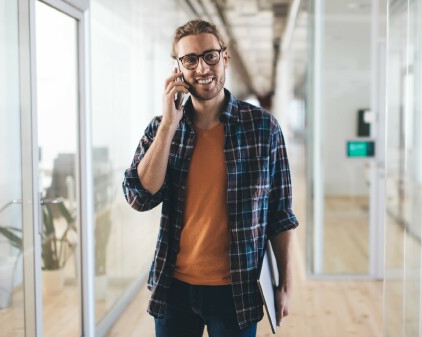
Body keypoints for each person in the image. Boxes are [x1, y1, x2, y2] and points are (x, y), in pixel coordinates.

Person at [122, 19, 299, 337]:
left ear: (225, 58)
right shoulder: (161, 129)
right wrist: (168, 125)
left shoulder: (263, 128)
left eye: (210, 56)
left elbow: (280, 215)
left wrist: (284, 284)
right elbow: (139, 197)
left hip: (238, 290)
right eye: (190, 59)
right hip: (173, 287)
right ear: (177, 68)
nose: (202, 68)